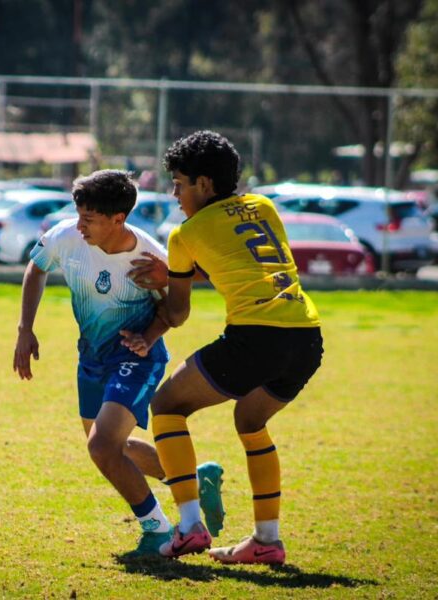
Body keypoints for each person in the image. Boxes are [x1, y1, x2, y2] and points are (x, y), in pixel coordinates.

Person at [130, 131, 323, 563]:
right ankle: (266, 541)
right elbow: (244, 262)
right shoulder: (264, 207)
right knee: (251, 421)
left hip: (255, 336)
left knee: (167, 407)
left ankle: (189, 526)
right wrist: (177, 275)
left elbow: (178, 314)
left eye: (179, 183)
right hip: (306, 335)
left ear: (203, 184)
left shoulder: (186, 234)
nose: (175, 193)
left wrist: (167, 286)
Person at [13, 169, 223, 557]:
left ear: (117, 219)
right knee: (114, 446)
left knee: (102, 446)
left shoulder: (149, 257)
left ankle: (158, 530)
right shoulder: (65, 236)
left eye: (88, 219)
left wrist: (150, 335)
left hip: (136, 356)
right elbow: (37, 268)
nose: (79, 226)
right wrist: (26, 327)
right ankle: (193, 482)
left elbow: (176, 310)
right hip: (91, 356)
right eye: (78, 216)